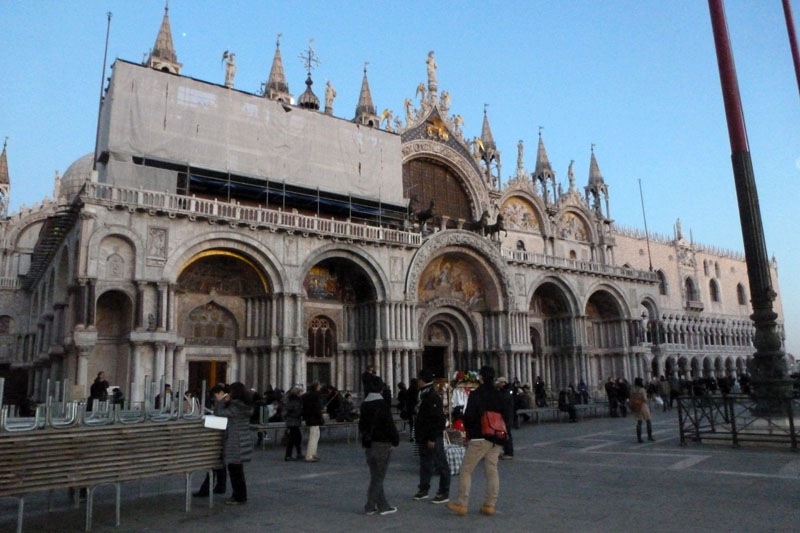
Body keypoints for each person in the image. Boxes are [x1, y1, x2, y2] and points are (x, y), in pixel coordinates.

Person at [447, 365, 504, 517]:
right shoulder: (499, 394)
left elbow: (469, 416)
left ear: (481, 377)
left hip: (480, 437)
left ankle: (462, 503)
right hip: (496, 437)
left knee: (466, 470)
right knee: (492, 470)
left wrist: (470, 434)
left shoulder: (476, 394)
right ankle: (489, 505)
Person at [359, 374, 399, 515]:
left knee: (376, 475)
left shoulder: (364, 404)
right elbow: (389, 425)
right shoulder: (382, 404)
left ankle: (383, 506)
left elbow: (362, 425)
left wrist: (365, 441)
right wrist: (395, 440)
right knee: (378, 477)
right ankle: (370, 506)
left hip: (369, 444)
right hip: (382, 444)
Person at [413, 368, 450, 504]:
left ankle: (443, 492)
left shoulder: (432, 395)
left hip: (432, 437)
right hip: (423, 435)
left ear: (422, 380)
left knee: (441, 464)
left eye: (418, 379)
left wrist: (433, 438)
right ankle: (423, 489)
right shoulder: (422, 393)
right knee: (425, 463)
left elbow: (438, 419)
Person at [214, 382, 253, 504]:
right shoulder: (245, 405)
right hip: (242, 439)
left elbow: (219, 414)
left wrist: (221, 401)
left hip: (235, 441)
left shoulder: (236, 407)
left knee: (235, 471)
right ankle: (240, 495)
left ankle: (239, 497)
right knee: (238, 470)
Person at [302, 381, 324, 462]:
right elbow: (317, 408)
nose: (320, 387)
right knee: (313, 437)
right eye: (319, 386)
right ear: (317, 387)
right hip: (314, 418)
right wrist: (321, 418)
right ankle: (309, 455)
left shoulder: (307, 395)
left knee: (315, 436)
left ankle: (313, 453)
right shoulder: (316, 396)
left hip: (310, 418)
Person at [630, 377, 654, 443]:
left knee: (639, 422)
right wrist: (649, 399)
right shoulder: (642, 389)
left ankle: (639, 438)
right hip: (643, 406)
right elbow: (645, 399)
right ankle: (649, 436)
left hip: (636, 406)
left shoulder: (632, 389)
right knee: (648, 421)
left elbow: (631, 397)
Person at [496, 377, 515, 459]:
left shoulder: (505, 392)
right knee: (505, 434)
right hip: (506, 415)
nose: (498, 384)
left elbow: (503, 404)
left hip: (506, 416)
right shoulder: (505, 391)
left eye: (499, 383)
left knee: (507, 434)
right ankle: (506, 451)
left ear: (503, 383)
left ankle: (509, 452)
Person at [283, 386, 303, 460]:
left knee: (298, 437)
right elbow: (295, 411)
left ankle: (298, 453)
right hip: (293, 422)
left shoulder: (290, 400)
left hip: (292, 421)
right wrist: (299, 413)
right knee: (292, 439)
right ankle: (288, 455)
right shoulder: (295, 401)